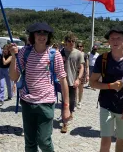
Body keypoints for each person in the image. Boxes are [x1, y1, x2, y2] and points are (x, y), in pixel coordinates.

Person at [9, 22, 70, 152]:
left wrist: (66, 107)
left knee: (44, 141)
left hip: (46, 103)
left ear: (49, 36)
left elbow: (63, 80)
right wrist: (14, 56)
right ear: (33, 35)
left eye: (45, 33)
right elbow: (14, 77)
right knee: (30, 143)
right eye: (39, 33)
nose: (42, 36)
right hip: (27, 102)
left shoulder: (55, 54)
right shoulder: (24, 52)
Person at [89, 26, 123, 152]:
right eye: (112, 38)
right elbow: (92, 83)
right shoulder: (103, 59)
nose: (115, 41)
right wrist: (109, 86)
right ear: (108, 42)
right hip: (106, 104)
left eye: (118, 38)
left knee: (121, 139)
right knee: (105, 139)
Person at [60, 32, 84, 133]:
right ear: (65, 42)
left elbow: (82, 67)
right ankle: (65, 123)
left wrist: (78, 79)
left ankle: (70, 113)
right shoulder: (61, 52)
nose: (71, 43)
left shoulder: (78, 53)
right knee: (65, 101)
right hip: (63, 81)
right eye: (69, 41)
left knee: (72, 101)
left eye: (73, 41)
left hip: (73, 81)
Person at [76, 42, 89, 109]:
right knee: (75, 87)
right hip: (75, 72)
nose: (79, 47)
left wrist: (87, 75)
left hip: (82, 73)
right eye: (78, 46)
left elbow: (87, 66)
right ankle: (74, 101)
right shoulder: (74, 53)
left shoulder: (85, 55)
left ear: (83, 47)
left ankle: (79, 102)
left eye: (80, 46)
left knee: (81, 88)